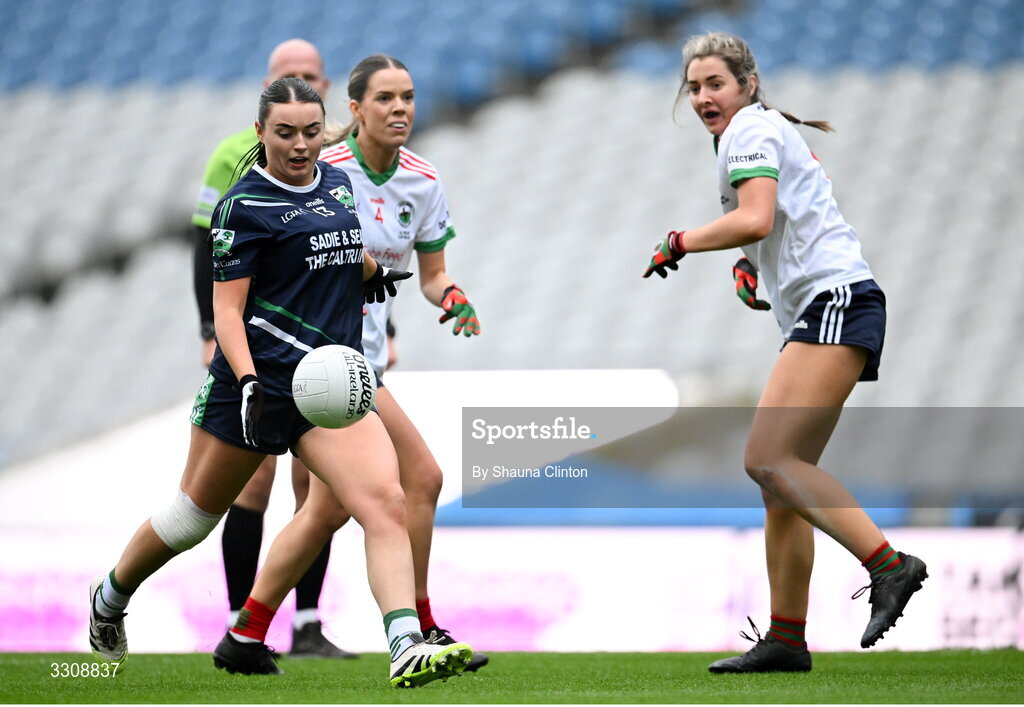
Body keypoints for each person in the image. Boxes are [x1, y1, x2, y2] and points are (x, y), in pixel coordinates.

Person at [89, 77, 472, 689]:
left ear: (327, 130)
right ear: (261, 132)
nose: (300, 145)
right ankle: (109, 597)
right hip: (259, 384)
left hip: (332, 384)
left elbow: (339, 247)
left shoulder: (338, 184)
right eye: (286, 133)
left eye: (311, 132)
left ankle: (404, 643)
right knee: (191, 519)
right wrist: (245, 380)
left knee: (385, 501)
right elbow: (227, 313)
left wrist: (371, 270)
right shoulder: (241, 206)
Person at [643, 32, 928, 673]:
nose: (702, 96)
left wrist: (681, 241)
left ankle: (890, 566)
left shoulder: (747, 130)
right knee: (784, 479)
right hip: (833, 302)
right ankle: (786, 638)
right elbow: (775, 223)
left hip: (834, 302)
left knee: (767, 459)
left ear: (746, 83)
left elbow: (756, 218)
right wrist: (751, 267)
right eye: (693, 87)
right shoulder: (756, 129)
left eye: (714, 83)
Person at [214, 53, 488, 676]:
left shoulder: (422, 179)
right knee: (419, 478)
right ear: (356, 109)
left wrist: (452, 296)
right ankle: (417, 628)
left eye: (409, 97)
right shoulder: (321, 170)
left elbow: (427, 274)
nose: (400, 109)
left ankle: (246, 632)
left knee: (329, 509)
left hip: (357, 365)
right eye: (385, 98)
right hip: (312, 365)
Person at [189, 38, 352, 658]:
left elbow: (341, 259)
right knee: (240, 496)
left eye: (310, 76)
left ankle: (307, 624)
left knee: (321, 494)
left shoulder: (335, 168)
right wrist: (212, 334)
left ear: (326, 89)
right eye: (289, 76)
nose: (300, 142)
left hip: (323, 359)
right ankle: (239, 619)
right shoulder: (233, 162)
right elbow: (207, 253)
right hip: (259, 357)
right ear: (262, 113)